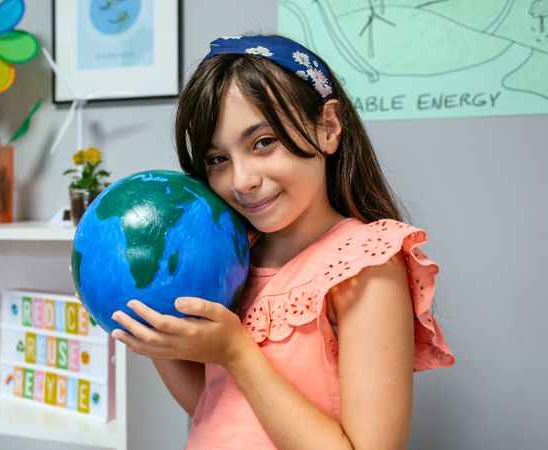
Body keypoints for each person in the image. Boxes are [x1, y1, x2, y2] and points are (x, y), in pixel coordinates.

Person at [110, 35, 455, 449]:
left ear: (328, 127)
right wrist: (155, 341)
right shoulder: (234, 254)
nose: (242, 180)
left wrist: (237, 353)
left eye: (263, 143)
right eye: (218, 159)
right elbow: (217, 410)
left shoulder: (366, 263)